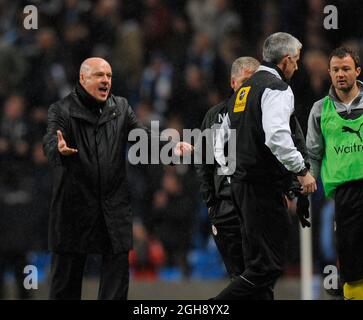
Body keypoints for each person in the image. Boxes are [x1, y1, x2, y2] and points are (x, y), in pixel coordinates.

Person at [42, 57, 192, 300]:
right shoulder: (62, 110)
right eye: (99, 75)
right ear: (82, 78)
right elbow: (50, 140)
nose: (105, 81)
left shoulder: (120, 108)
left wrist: (170, 147)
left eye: (109, 76)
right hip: (74, 208)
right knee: (65, 284)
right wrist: (57, 149)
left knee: (116, 282)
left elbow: (143, 138)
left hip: (112, 207)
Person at [212, 32, 317, 300]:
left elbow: (221, 140)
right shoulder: (277, 88)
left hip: (241, 186)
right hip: (261, 188)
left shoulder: (244, 89)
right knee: (265, 267)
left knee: (256, 266)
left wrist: (233, 175)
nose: (298, 67)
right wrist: (301, 172)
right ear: (286, 60)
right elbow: (278, 137)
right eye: (296, 61)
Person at [306, 47, 363, 300]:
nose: (341, 74)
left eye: (346, 69)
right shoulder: (320, 110)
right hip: (344, 194)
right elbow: (314, 154)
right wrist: (305, 187)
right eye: (336, 70)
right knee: (351, 263)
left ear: (357, 71)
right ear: (329, 73)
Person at [195, 57, 260, 280]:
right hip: (226, 206)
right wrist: (211, 204)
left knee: (262, 274)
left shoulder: (267, 114)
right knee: (237, 275)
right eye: (245, 81)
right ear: (233, 83)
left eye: (255, 81)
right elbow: (203, 162)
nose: (250, 87)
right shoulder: (215, 116)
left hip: (258, 204)